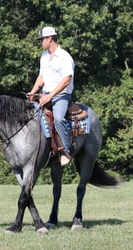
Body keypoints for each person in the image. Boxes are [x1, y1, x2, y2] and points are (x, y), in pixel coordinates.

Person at [27, 26, 75, 166]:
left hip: (61, 95)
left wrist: (50, 96)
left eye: (42, 39)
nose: (41, 42)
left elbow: (67, 79)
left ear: (50, 39)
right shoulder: (44, 56)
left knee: (59, 118)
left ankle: (65, 150)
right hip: (45, 94)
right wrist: (32, 92)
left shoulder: (65, 57)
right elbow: (41, 77)